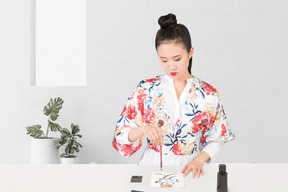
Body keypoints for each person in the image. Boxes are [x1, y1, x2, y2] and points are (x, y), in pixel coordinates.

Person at [112, 13, 235, 179]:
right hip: (150, 173)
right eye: (164, 60)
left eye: (177, 59)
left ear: (190, 52)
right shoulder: (146, 89)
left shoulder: (208, 94)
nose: (171, 66)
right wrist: (143, 129)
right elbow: (121, 135)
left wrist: (199, 160)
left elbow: (216, 139)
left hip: (190, 174)